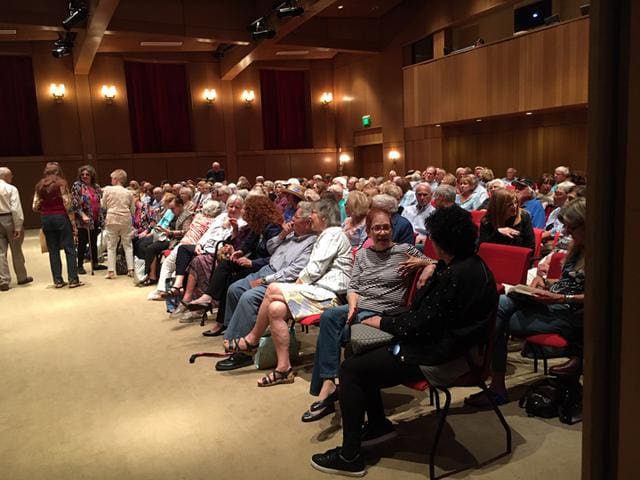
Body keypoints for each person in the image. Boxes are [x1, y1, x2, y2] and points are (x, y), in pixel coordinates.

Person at [309, 206, 497, 477]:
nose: (430, 243)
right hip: (448, 345)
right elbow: (425, 319)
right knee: (357, 351)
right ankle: (377, 425)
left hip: (444, 357)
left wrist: (382, 323)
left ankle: (350, 456)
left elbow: (421, 325)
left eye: (432, 239)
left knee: (351, 369)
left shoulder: (454, 276)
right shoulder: (469, 264)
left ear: (443, 242)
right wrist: (434, 266)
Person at [301, 208, 430, 422]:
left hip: (384, 311)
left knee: (342, 335)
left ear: (392, 229)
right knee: (329, 316)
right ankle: (330, 382)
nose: (381, 232)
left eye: (386, 227)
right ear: (369, 231)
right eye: (376, 228)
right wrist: (352, 306)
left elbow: (438, 263)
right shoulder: (362, 254)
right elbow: (353, 287)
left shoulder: (405, 250)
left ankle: (331, 390)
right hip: (360, 306)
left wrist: (424, 265)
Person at [466, 197, 586, 407]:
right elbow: (569, 281)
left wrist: (560, 297)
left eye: (570, 227)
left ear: (586, 225)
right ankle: (490, 377)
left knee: (497, 320)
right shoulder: (578, 248)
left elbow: (601, 295)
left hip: (571, 311)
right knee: (499, 303)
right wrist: (544, 281)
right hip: (551, 300)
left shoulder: (605, 254)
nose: (565, 232)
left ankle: (493, 382)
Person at [224, 198, 352, 387]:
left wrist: (293, 287)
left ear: (323, 217)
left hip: (331, 295)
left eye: (314, 214)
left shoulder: (332, 234)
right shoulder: (325, 234)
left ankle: (251, 340)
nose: (311, 218)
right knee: (275, 308)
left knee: (274, 289)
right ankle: (284, 369)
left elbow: (313, 270)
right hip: (316, 292)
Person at [215, 203, 318, 371]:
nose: (291, 220)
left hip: (279, 280)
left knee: (248, 298)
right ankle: (236, 339)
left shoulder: (311, 243)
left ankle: (244, 351)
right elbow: (269, 248)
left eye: (296, 217)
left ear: (307, 222)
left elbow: (293, 272)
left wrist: (265, 281)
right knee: (234, 289)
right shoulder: (291, 235)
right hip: (266, 269)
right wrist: (283, 234)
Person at [186, 195, 283, 330]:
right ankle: (209, 299)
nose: (245, 214)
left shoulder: (274, 229)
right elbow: (248, 243)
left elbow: (277, 258)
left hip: (264, 266)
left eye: (247, 211)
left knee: (231, 280)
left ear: (257, 213)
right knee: (227, 263)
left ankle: (221, 321)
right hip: (252, 261)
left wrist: (252, 263)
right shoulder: (258, 226)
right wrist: (240, 252)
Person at [33, 165, 83, 288]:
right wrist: (73, 223)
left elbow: (35, 206)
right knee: (69, 249)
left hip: (46, 218)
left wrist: (45, 210)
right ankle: (73, 279)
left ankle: (58, 281)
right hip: (61, 217)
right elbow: (67, 204)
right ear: (58, 171)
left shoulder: (39, 186)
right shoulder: (61, 184)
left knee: (53, 250)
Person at [0, 167, 32, 291]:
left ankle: (3, 280)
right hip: (9, 219)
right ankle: (21, 277)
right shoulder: (11, 189)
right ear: (6, 176)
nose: (12, 178)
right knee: (16, 249)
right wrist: (18, 226)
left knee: (0, 252)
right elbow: (15, 208)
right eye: (11, 175)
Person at [71, 165, 106, 274]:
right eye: (82, 174)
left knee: (94, 241)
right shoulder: (77, 186)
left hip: (95, 218)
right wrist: (82, 215)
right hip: (83, 219)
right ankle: (80, 265)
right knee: (82, 242)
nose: (85, 176)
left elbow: (101, 200)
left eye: (87, 174)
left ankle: (95, 263)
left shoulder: (96, 187)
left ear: (92, 175)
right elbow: (75, 204)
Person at [102, 169, 136, 279]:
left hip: (112, 218)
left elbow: (103, 205)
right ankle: (130, 269)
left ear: (116, 179)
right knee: (128, 245)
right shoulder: (129, 192)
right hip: (126, 218)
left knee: (111, 246)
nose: (111, 180)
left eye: (112, 178)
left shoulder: (108, 190)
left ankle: (111, 271)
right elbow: (133, 209)